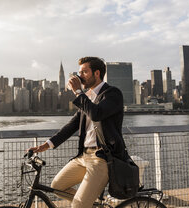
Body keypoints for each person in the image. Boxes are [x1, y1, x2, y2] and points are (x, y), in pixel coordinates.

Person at [28, 56, 128, 208]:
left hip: (102, 159)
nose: (80, 76)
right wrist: (45, 145)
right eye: (79, 72)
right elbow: (71, 126)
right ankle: (89, 204)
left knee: (78, 206)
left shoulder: (112, 94)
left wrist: (77, 92)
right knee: (57, 186)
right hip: (84, 156)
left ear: (97, 73)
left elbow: (97, 113)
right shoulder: (86, 97)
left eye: (84, 72)